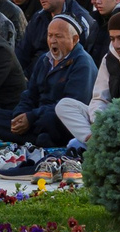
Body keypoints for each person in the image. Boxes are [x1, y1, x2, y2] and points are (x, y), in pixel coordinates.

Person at [6, 14, 95, 149]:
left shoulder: (83, 63)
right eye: (50, 35)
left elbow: (71, 105)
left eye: (58, 36)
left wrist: (31, 117)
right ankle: (34, 137)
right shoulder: (44, 60)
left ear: (75, 39)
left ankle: (34, 137)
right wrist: (21, 114)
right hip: (37, 117)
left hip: (57, 119)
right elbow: (30, 93)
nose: (52, 41)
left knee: (48, 121)